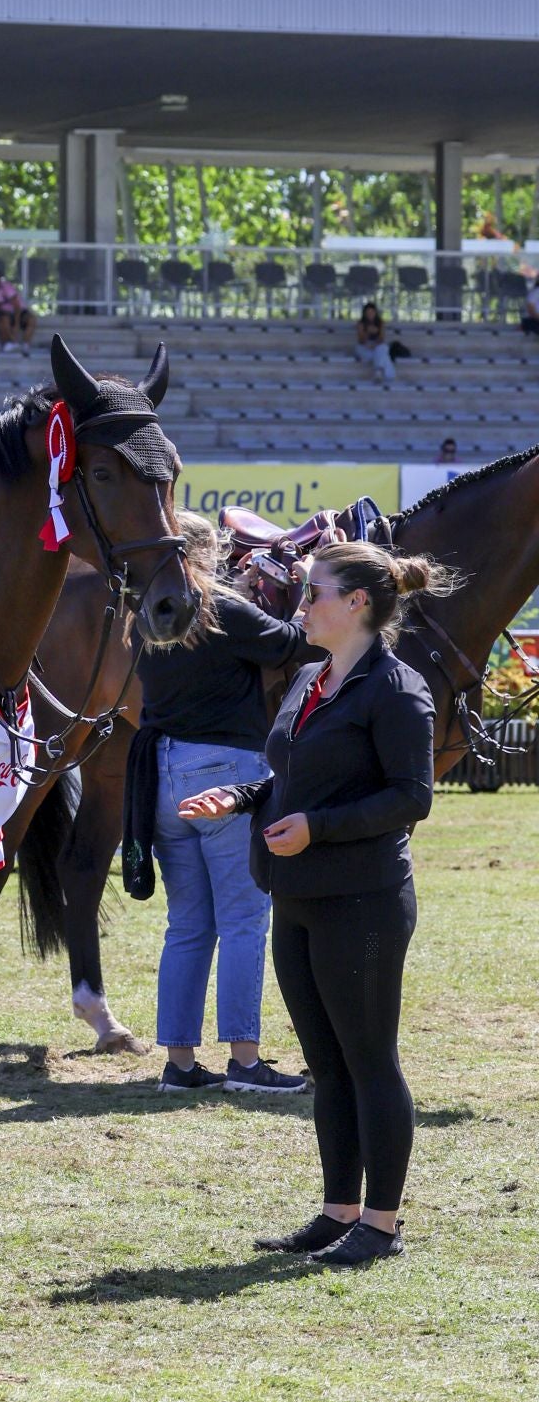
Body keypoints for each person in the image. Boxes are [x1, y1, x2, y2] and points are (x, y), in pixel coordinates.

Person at [179, 541, 445, 1266]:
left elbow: (411, 798)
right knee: (327, 1067)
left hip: (361, 901)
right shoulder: (307, 680)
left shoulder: (396, 689)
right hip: (295, 897)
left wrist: (318, 829)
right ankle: (339, 1213)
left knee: (369, 1062)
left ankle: (381, 1226)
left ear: (357, 602)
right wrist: (240, 797)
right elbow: (291, 778)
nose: (302, 606)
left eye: (315, 593)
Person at [137, 513, 312, 1097]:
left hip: (161, 773)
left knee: (187, 925)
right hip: (225, 773)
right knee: (243, 920)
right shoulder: (219, 607)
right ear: (206, 555)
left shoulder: (149, 613)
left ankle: (181, 1064)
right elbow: (292, 645)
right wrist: (305, 583)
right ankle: (244, 1059)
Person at [0, 266, 36, 354]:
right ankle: (10, 343)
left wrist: (17, 324)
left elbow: (17, 306)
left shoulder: (7, 286)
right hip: (5, 314)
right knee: (3, 321)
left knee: (32, 320)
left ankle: (25, 345)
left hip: (19, 312)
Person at [354, 302, 395, 385]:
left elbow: (381, 338)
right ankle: (388, 375)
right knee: (383, 356)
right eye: (368, 313)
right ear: (365, 314)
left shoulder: (380, 323)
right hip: (364, 347)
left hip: (376, 346)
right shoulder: (361, 324)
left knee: (382, 348)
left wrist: (374, 344)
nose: (370, 314)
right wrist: (368, 333)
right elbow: (361, 340)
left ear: (375, 313)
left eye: (372, 312)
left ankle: (378, 372)